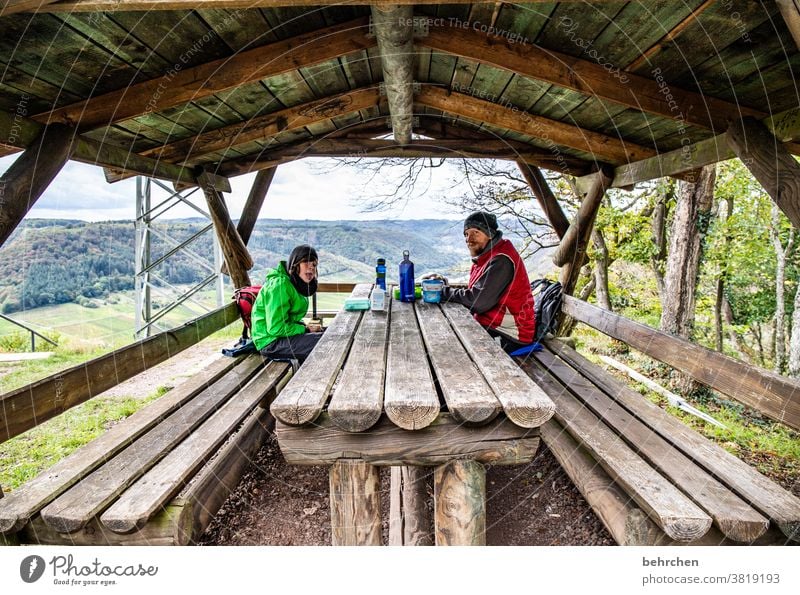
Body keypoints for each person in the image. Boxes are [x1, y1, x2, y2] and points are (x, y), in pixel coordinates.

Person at [438, 211, 535, 353]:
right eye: (466, 234)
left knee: (452, 346)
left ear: (490, 234)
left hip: (510, 335)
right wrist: (446, 288)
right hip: (491, 325)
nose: (469, 239)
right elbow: (477, 292)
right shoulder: (486, 257)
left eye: (476, 232)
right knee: (447, 332)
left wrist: (443, 292)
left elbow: (478, 302)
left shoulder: (501, 260)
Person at [251, 244, 323, 364]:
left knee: (328, 334)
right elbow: (276, 328)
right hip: (270, 342)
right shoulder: (280, 285)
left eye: (314, 264)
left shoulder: (293, 283)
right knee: (325, 342)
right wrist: (304, 329)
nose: (311, 267)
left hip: (281, 337)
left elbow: (288, 319)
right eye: (306, 262)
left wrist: (307, 329)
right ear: (295, 265)